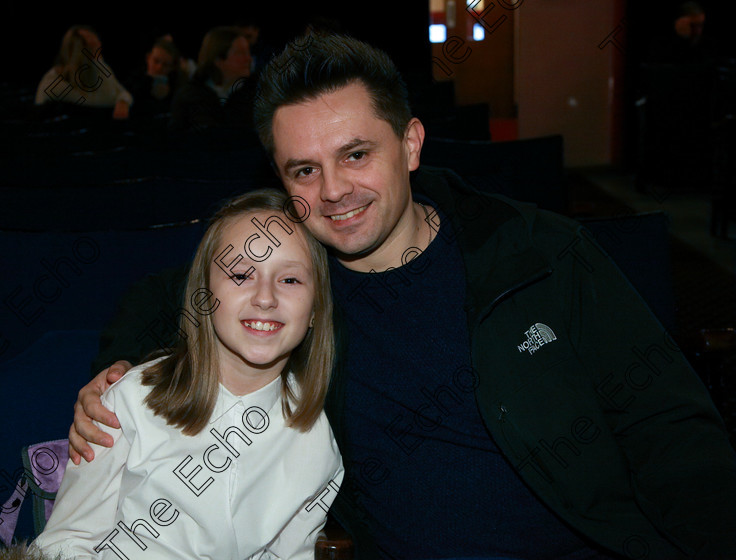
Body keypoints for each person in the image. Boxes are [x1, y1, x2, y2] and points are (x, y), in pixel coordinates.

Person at [71, 32, 736, 559]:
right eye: (306, 169)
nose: (333, 191)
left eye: (356, 155)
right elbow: (166, 291)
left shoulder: (537, 253)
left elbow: (671, 430)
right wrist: (119, 367)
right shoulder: (296, 284)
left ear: (410, 144)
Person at [30, 189, 343, 559]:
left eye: (290, 280)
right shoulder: (131, 400)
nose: (265, 297)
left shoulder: (318, 438)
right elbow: (63, 544)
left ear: (314, 310)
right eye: (241, 274)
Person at [35, 25, 133, 119]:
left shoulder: (97, 69)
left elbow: (121, 92)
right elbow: (106, 101)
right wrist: (120, 100)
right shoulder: (54, 80)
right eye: (90, 46)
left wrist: (123, 101)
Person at [169, 26, 255, 132]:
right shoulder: (190, 97)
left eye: (248, 52)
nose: (248, 59)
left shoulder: (255, 95)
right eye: (240, 53)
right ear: (218, 59)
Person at [125, 36, 187, 118]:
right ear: (148, 58)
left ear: (172, 67)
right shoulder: (133, 80)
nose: (159, 67)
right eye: (156, 61)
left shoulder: (176, 87)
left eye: (165, 65)